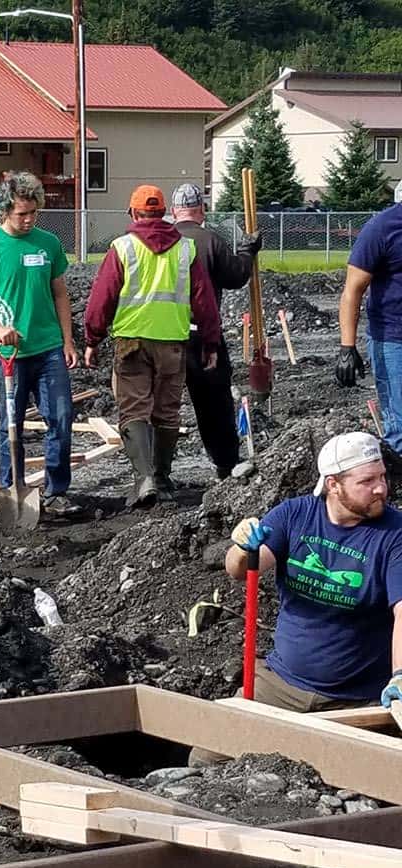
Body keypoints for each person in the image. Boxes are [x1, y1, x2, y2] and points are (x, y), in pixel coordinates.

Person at [191, 432, 402, 765]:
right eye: (367, 481)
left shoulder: (395, 535)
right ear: (333, 484)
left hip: (358, 699)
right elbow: (241, 569)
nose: (381, 488)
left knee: (373, 779)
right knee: (206, 759)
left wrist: (400, 675)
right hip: (281, 685)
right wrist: (242, 547)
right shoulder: (295, 515)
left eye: (382, 477)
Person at [84, 185, 220, 507]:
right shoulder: (185, 249)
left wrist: (92, 339)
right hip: (172, 342)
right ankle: (162, 477)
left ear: (132, 213)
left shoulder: (123, 248)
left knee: (134, 410)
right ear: (165, 214)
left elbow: (101, 299)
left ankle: (144, 479)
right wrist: (211, 342)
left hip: (131, 341)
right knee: (167, 412)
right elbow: (205, 300)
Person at [0, 171, 78, 515]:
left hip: (49, 348)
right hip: (9, 353)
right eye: (21, 214)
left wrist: (67, 340)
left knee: (61, 417)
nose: (28, 220)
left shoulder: (49, 243)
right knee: (11, 424)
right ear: (4, 212)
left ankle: (56, 491)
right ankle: (12, 485)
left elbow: (60, 294)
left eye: (32, 213)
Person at [171, 182, 262, 479]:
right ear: (202, 210)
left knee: (160, 406)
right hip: (203, 335)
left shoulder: (162, 240)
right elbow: (236, 276)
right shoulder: (210, 241)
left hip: (161, 336)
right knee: (214, 402)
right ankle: (224, 463)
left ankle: (156, 472)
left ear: (174, 211)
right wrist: (248, 252)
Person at [336, 204, 402, 455]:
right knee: (400, 424)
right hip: (394, 339)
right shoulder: (383, 228)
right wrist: (347, 347)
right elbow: (352, 290)